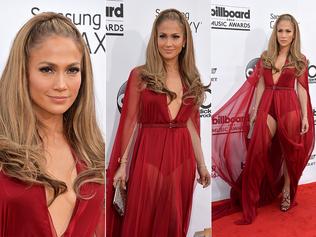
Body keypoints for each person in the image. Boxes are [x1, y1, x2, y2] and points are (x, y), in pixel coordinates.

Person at [106, 8, 210, 237]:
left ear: (185, 41)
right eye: (162, 36)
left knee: (173, 218)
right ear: (155, 39)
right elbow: (131, 123)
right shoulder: (140, 75)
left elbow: (191, 125)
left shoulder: (191, 77)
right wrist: (122, 165)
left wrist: (201, 164)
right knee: (142, 216)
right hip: (148, 154)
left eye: (175, 37)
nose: (168, 43)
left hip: (182, 156)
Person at [0, 12, 105, 236]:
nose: (61, 85)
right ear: (23, 72)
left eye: (72, 70)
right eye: (47, 69)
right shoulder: (4, 150)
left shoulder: (92, 149)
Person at [212, 13, 315, 224]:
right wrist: (254, 109)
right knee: (257, 150)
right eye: (280, 31)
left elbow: (302, 89)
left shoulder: (300, 60)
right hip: (267, 104)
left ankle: (286, 190)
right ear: (275, 33)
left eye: (288, 31)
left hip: (289, 106)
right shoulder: (266, 56)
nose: (283, 35)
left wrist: (306, 115)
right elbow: (260, 85)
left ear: (294, 34)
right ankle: (252, 197)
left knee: (289, 153)